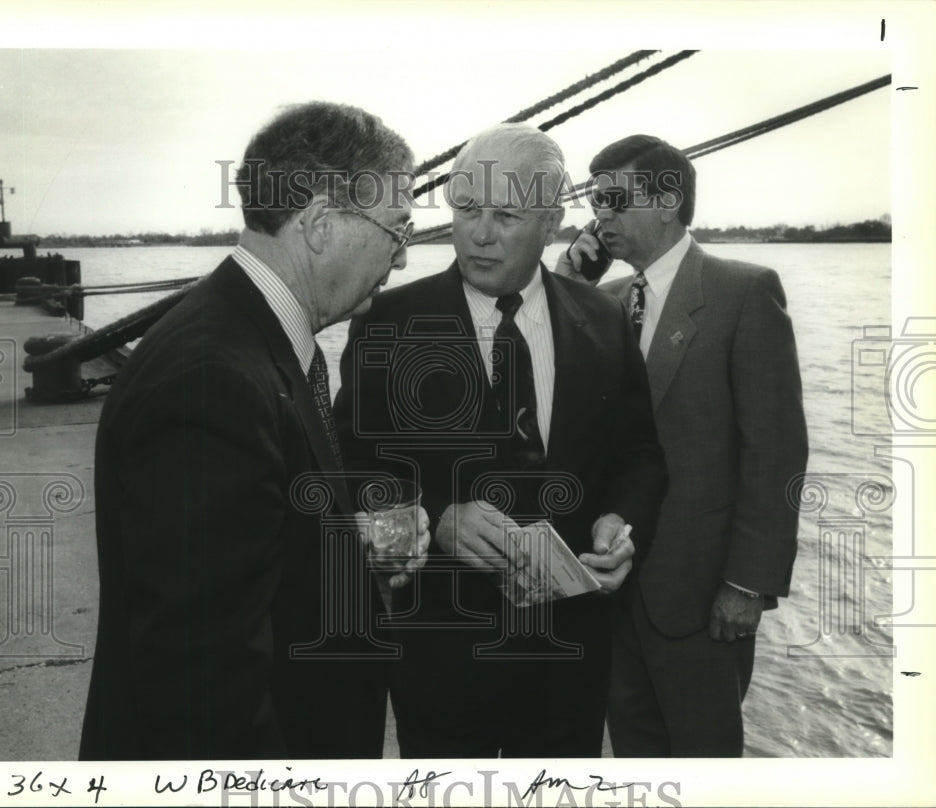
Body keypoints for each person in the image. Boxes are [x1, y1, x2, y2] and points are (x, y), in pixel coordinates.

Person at [80, 101, 429, 760]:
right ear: (322, 223)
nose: (403, 258)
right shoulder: (211, 384)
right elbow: (202, 690)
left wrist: (349, 550)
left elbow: (245, 555)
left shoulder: (249, 343)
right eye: (397, 229)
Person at [334, 123, 667, 758]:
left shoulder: (602, 318)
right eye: (465, 210)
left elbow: (639, 454)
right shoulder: (388, 323)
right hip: (439, 654)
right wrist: (434, 516)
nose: (478, 233)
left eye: (506, 215)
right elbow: (351, 466)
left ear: (551, 222)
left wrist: (622, 525)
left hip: (571, 655)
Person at [557, 134, 809, 757]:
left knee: (706, 761)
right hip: (609, 589)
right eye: (595, 201)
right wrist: (567, 285)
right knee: (638, 759)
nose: (601, 215)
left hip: (701, 596)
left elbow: (776, 453)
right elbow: (564, 420)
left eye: (614, 197)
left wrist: (748, 586)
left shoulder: (743, 292)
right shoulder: (603, 303)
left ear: (667, 201)